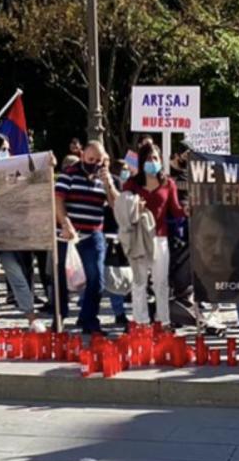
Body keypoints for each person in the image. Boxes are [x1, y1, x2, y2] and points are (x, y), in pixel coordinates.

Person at [54, 139, 117, 336]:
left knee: (96, 279)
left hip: (93, 234)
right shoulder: (69, 174)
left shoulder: (104, 176)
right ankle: (59, 318)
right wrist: (65, 223)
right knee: (61, 280)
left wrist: (109, 184)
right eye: (91, 159)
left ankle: (89, 319)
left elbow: (116, 205)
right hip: (68, 235)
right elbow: (58, 199)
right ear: (83, 156)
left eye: (99, 160)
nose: (95, 163)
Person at [121, 138, 183, 327]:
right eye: (148, 159)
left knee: (161, 283)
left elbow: (176, 210)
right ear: (141, 162)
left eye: (155, 158)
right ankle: (141, 322)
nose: (152, 162)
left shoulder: (168, 183)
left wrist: (189, 211)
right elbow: (123, 208)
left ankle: (163, 321)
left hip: (160, 238)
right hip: (139, 238)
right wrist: (133, 208)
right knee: (139, 283)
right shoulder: (132, 183)